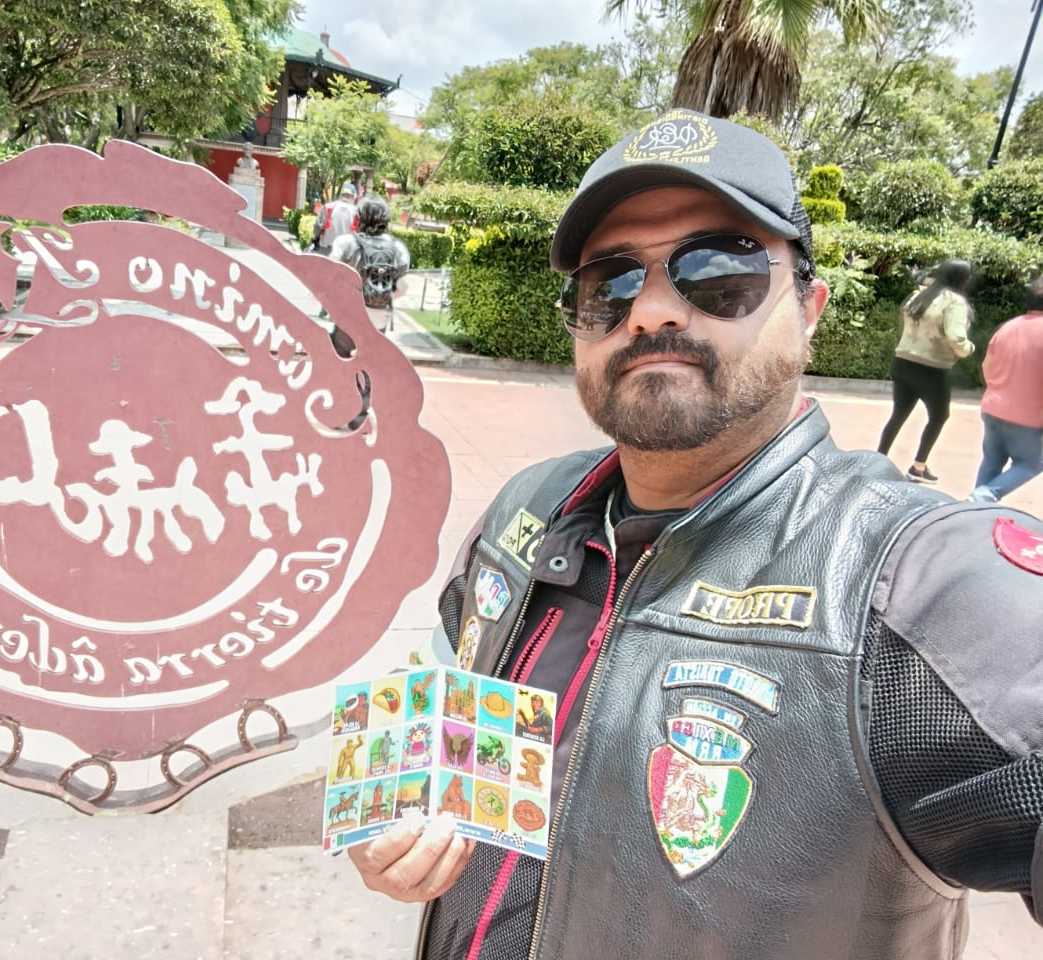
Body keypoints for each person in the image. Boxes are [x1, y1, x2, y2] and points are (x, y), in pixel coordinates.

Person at [346, 108, 1043, 960]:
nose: (650, 311)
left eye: (717, 271)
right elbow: (438, 699)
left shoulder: (914, 585)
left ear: (810, 307)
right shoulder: (527, 509)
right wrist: (392, 820)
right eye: (609, 284)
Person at [877, 259, 976, 483]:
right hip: (931, 369)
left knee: (898, 414)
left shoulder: (918, 295)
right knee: (939, 416)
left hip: (902, 361)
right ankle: (918, 467)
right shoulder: (955, 302)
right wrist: (968, 349)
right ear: (962, 278)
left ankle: (878, 458)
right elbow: (956, 338)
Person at [969, 277, 1043, 503]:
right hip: (1027, 416)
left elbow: (987, 367)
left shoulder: (1008, 327)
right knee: (1031, 463)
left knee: (992, 460)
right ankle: (984, 495)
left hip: (993, 407)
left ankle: (974, 509)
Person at [329, 193, 410, 334]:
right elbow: (403, 288)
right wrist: (382, 299)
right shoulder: (398, 248)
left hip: (348, 316)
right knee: (374, 348)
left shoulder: (346, 242)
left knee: (340, 347)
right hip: (379, 320)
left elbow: (328, 276)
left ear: (359, 217)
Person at [312, 182, 358, 254]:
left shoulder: (328, 207)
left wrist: (317, 236)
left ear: (341, 195)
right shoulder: (357, 212)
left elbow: (317, 228)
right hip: (346, 253)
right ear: (354, 196)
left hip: (326, 250)